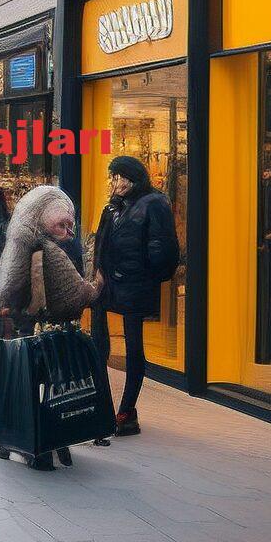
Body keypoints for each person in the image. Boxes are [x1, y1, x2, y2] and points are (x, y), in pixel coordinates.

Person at [0, 185, 103, 469]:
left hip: (24, 335)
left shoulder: (18, 245)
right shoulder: (52, 253)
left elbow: (6, 292)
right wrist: (98, 285)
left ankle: (18, 442)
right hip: (51, 340)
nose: (68, 230)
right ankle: (47, 446)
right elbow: (77, 298)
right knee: (52, 390)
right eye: (63, 223)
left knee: (27, 388)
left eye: (70, 224)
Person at [91, 155, 180, 439]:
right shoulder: (113, 206)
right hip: (108, 285)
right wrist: (98, 272)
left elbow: (163, 249)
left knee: (134, 348)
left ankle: (127, 410)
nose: (115, 183)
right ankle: (101, 405)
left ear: (133, 178)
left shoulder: (154, 203)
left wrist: (147, 276)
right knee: (99, 345)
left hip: (135, 285)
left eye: (120, 177)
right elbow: (101, 243)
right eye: (113, 177)